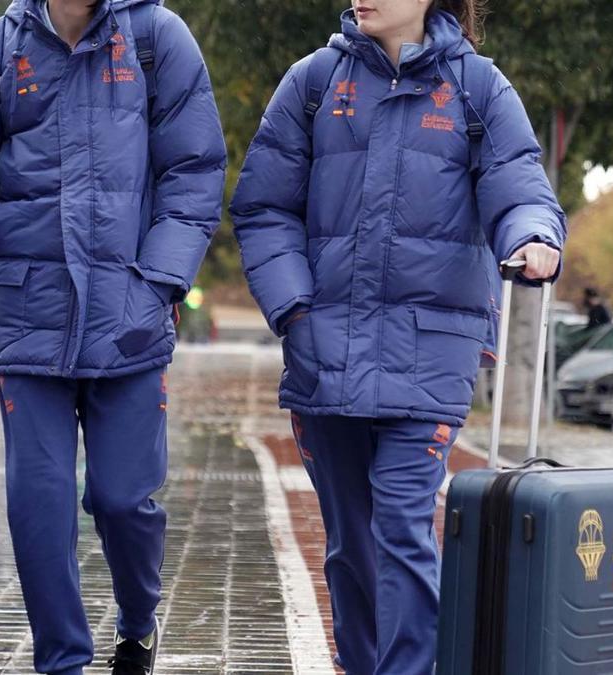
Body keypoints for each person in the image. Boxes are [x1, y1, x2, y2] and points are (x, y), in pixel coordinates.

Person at [230, 0, 564, 672]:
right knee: (352, 544)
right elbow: (263, 206)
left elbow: (519, 182)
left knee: (403, 530)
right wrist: (295, 309)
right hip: (324, 354)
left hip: (431, 355)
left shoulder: (478, 88)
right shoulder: (314, 82)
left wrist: (533, 236)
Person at [0, 0, 227, 672]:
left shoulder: (157, 42)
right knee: (38, 506)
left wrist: (158, 283)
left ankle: (137, 621)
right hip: (30, 325)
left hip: (128, 322)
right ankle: (63, 661)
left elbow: (193, 171)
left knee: (122, 497)